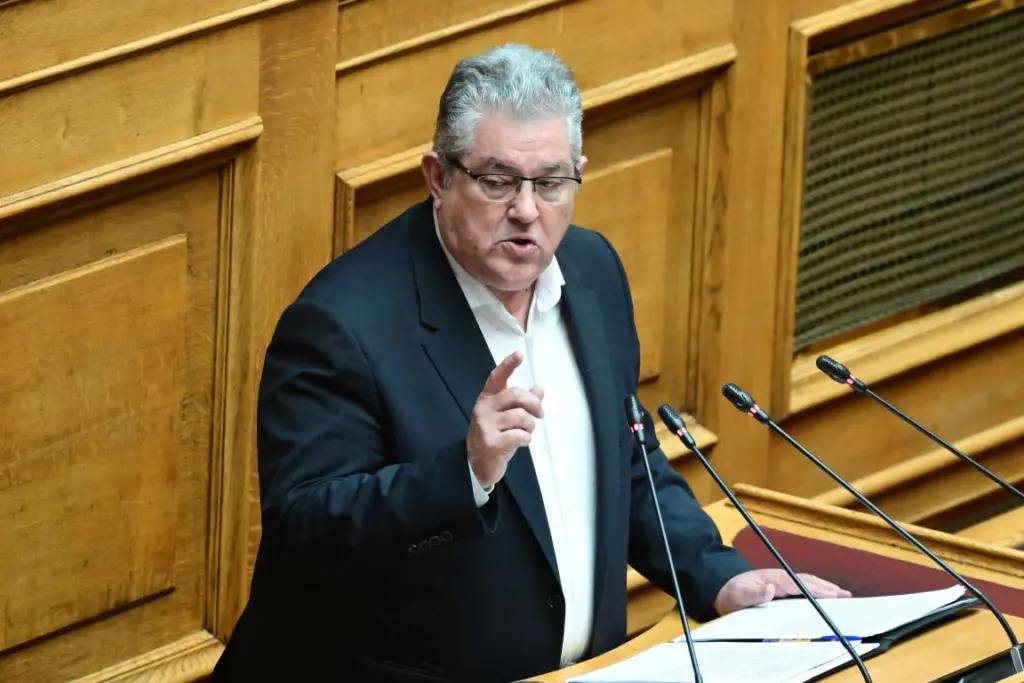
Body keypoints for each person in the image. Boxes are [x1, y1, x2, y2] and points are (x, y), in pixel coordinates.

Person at [212, 43, 849, 683]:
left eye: (549, 183)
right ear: (438, 178)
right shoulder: (342, 324)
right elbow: (305, 537)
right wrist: (465, 474)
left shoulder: (592, 272)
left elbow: (625, 464)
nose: (526, 209)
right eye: (497, 182)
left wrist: (719, 577)